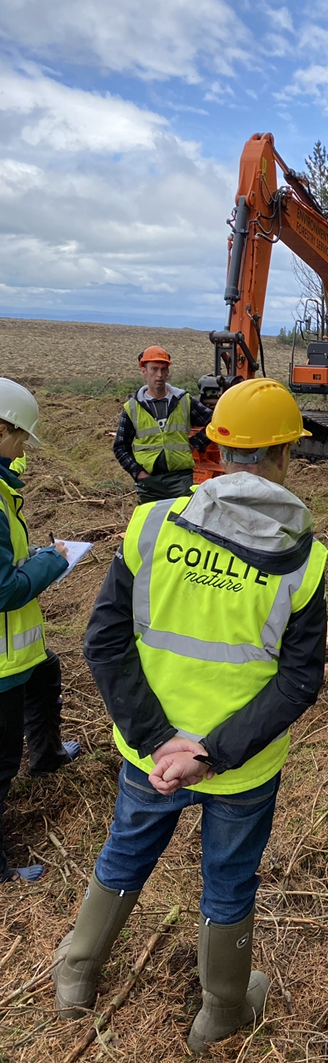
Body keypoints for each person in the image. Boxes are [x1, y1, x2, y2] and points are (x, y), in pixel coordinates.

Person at [54, 379, 328, 1050]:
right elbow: (298, 682)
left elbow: (104, 642)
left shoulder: (150, 525)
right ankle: (221, 1013)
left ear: (215, 448)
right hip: (239, 766)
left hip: (151, 755)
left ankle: (76, 975)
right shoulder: (306, 562)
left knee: (124, 851)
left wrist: (158, 741)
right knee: (230, 880)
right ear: (285, 453)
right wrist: (209, 752)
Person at [0, 379, 80, 884]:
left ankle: (47, 754)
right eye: (21, 437)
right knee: (0, 760)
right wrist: (52, 561)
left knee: (46, 673)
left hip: (19, 652)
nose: (24, 447)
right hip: (1, 660)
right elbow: (3, 591)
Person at [113, 346, 213, 502]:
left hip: (181, 480)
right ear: (144, 371)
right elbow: (120, 447)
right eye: (154, 369)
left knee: (181, 523)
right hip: (149, 483)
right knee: (151, 524)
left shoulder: (183, 400)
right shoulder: (133, 407)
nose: (159, 375)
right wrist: (139, 474)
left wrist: (195, 443)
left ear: (168, 372)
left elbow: (215, 422)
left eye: (163, 369)